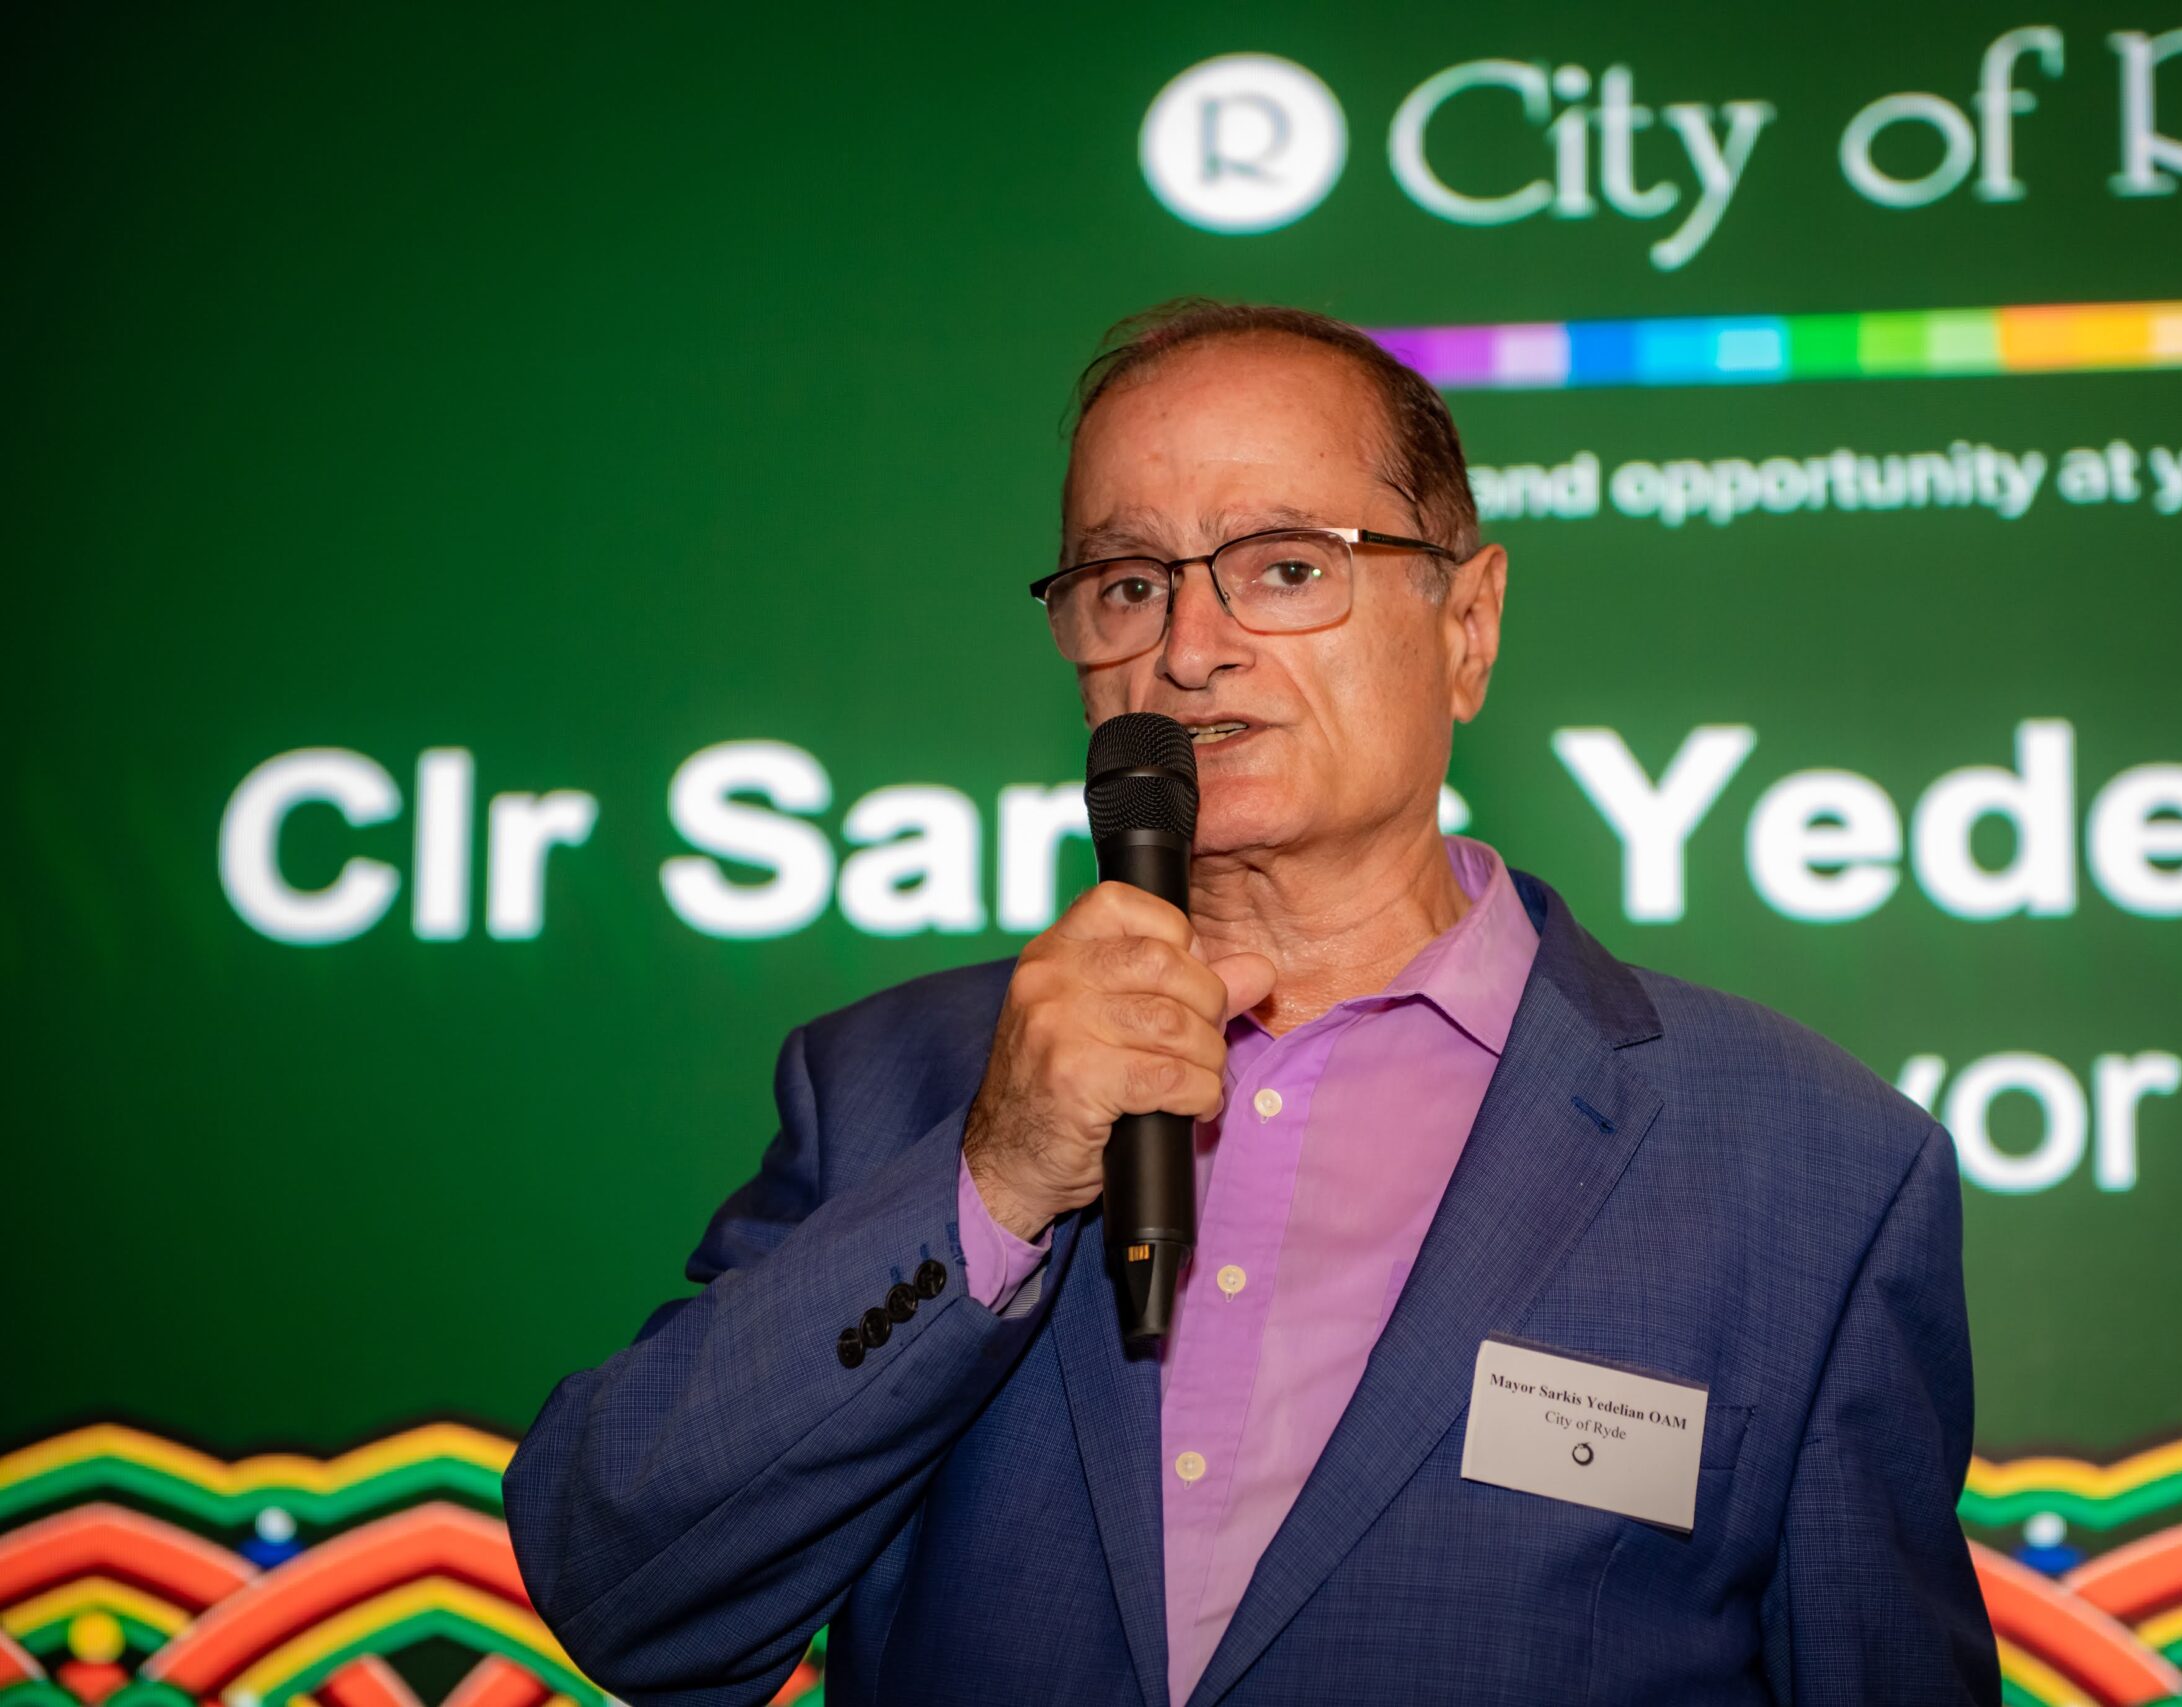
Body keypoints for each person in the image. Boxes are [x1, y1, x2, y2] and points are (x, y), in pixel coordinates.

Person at [503, 301, 1997, 1706]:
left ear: (1468, 625)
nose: (1189, 648)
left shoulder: (1810, 1171)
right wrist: (999, 1180)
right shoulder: (891, 1082)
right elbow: (625, 1588)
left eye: (1285, 566)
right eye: (1126, 583)